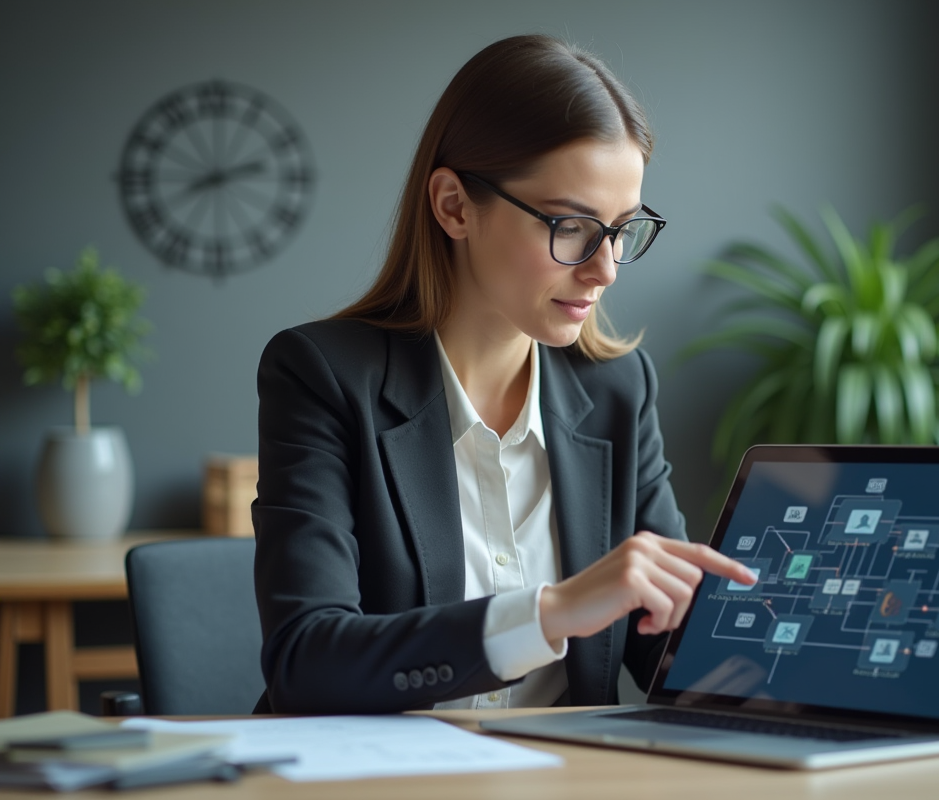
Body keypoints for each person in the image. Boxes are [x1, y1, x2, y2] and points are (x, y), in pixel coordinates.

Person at [251, 34, 755, 715]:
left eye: (623, 229)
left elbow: (660, 641)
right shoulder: (323, 377)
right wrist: (551, 613)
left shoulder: (616, 389)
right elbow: (305, 662)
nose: (604, 268)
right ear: (454, 205)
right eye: (571, 226)